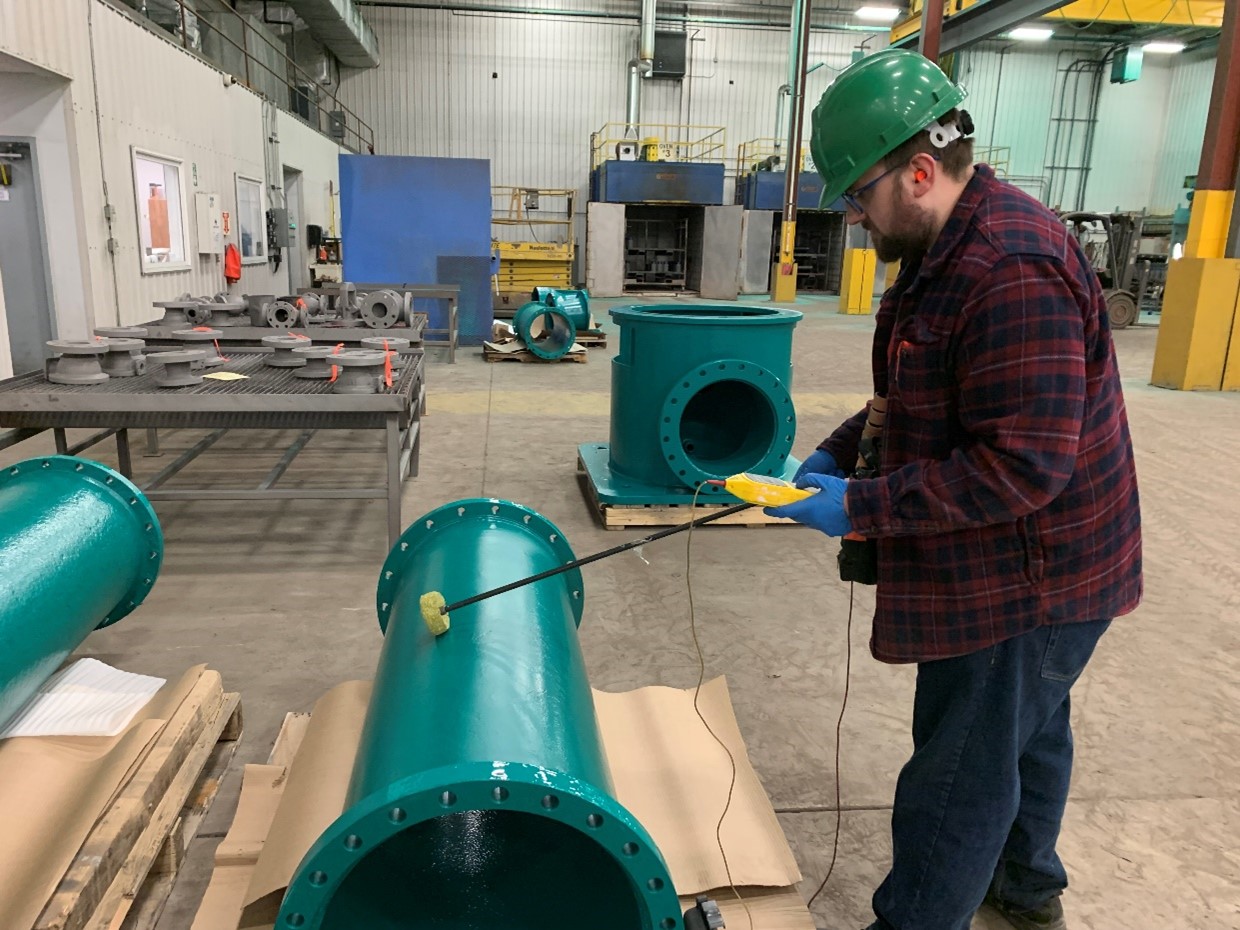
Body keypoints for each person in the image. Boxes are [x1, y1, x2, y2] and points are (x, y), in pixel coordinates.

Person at [766, 50, 1143, 930]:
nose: (855, 220)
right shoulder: (946, 243)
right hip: (1038, 559)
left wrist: (860, 506)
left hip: (1035, 574)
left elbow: (1019, 467)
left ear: (920, 172)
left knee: (961, 767)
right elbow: (918, 391)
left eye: (858, 197)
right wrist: (837, 452)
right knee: (1029, 730)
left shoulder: (1010, 267)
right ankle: (1027, 890)